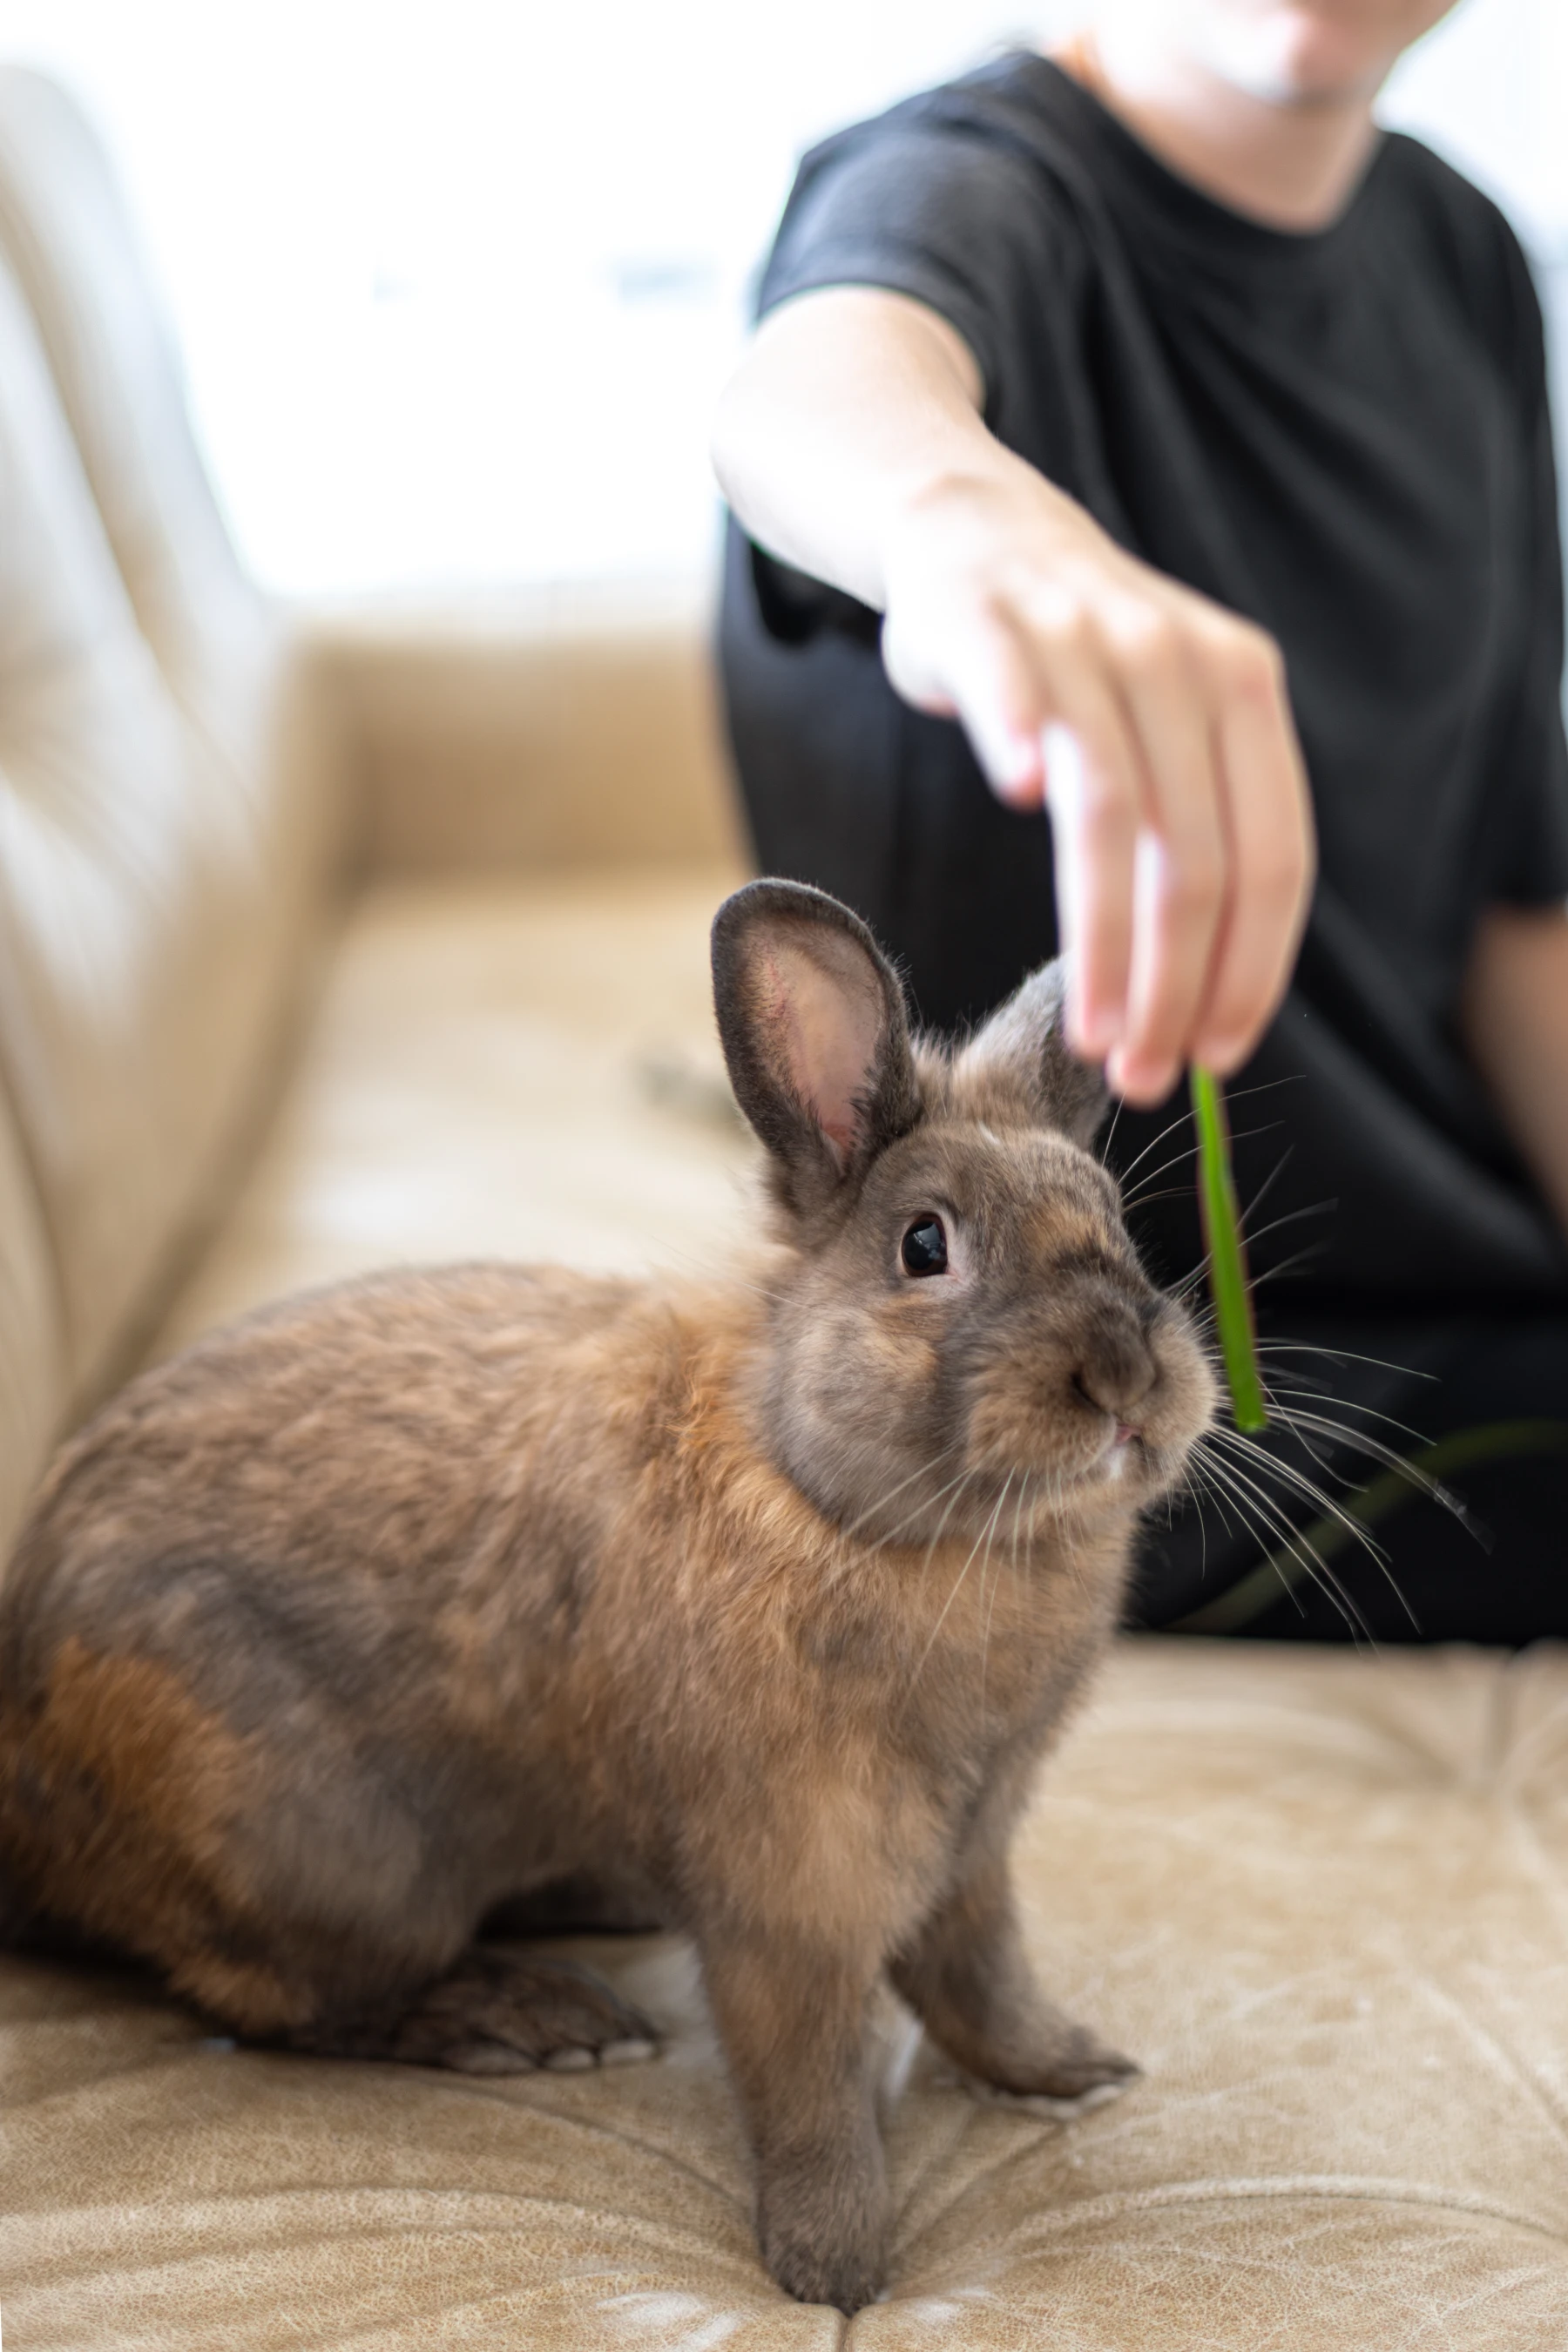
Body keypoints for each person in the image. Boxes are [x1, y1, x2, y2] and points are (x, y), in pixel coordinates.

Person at [711, 0, 1568, 1643]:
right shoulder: (963, 191)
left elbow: (1515, 901)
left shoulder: (1466, 260)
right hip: (1131, 1389)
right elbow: (800, 398)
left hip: (1473, 1272)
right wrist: (968, 525)